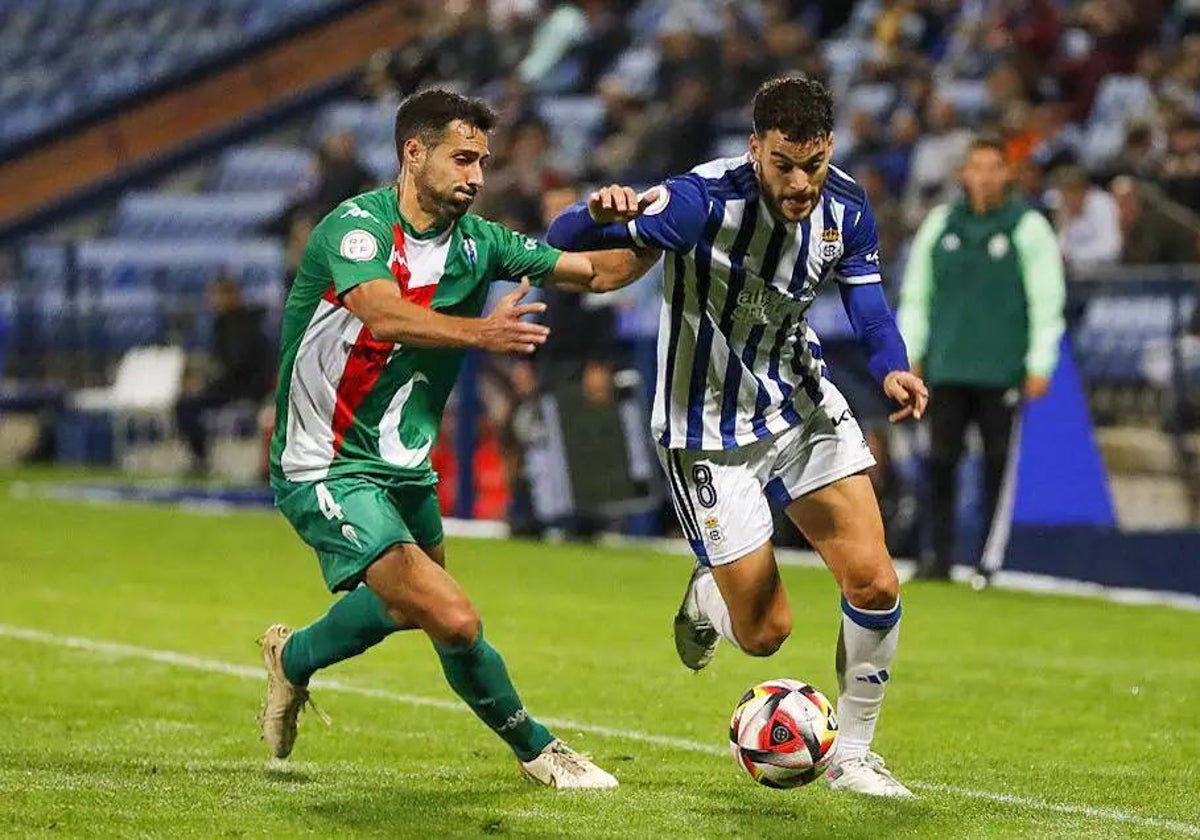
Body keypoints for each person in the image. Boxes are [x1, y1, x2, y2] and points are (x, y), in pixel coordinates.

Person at [258, 88, 658, 789]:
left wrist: (655, 227)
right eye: (462, 158)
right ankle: (542, 751)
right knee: (453, 615)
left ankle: (291, 660)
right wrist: (483, 333)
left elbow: (598, 271)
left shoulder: (483, 243)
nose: (476, 175)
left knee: (402, 607)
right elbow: (381, 313)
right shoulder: (355, 230)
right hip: (324, 462)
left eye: (483, 161)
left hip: (406, 466)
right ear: (414, 153)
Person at [546, 76, 928, 798]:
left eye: (811, 164)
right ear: (755, 149)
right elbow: (568, 244)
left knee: (875, 580)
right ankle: (704, 600)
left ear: (830, 152)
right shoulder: (700, 201)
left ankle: (853, 756)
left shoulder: (845, 205)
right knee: (764, 633)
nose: (799, 182)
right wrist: (593, 209)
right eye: (783, 163)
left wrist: (893, 371)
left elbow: (871, 312)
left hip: (801, 406)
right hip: (706, 430)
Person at [898, 135, 1066, 583]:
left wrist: (1040, 361)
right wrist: (911, 351)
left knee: (997, 462)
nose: (986, 176)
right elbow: (917, 293)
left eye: (995, 167)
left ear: (1007, 174)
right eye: (977, 167)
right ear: (964, 174)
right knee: (940, 460)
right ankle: (938, 555)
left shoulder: (1026, 226)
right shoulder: (940, 224)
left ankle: (988, 560)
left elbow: (1047, 298)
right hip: (947, 364)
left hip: (1002, 367)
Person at [174, 276, 274, 474]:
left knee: (188, 405)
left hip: (246, 388)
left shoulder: (244, 325)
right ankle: (199, 457)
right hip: (231, 386)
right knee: (187, 404)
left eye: (217, 296)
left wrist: (209, 384)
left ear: (232, 296)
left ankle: (200, 459)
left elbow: (238, 366)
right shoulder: (222, 324)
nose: (213, 301)